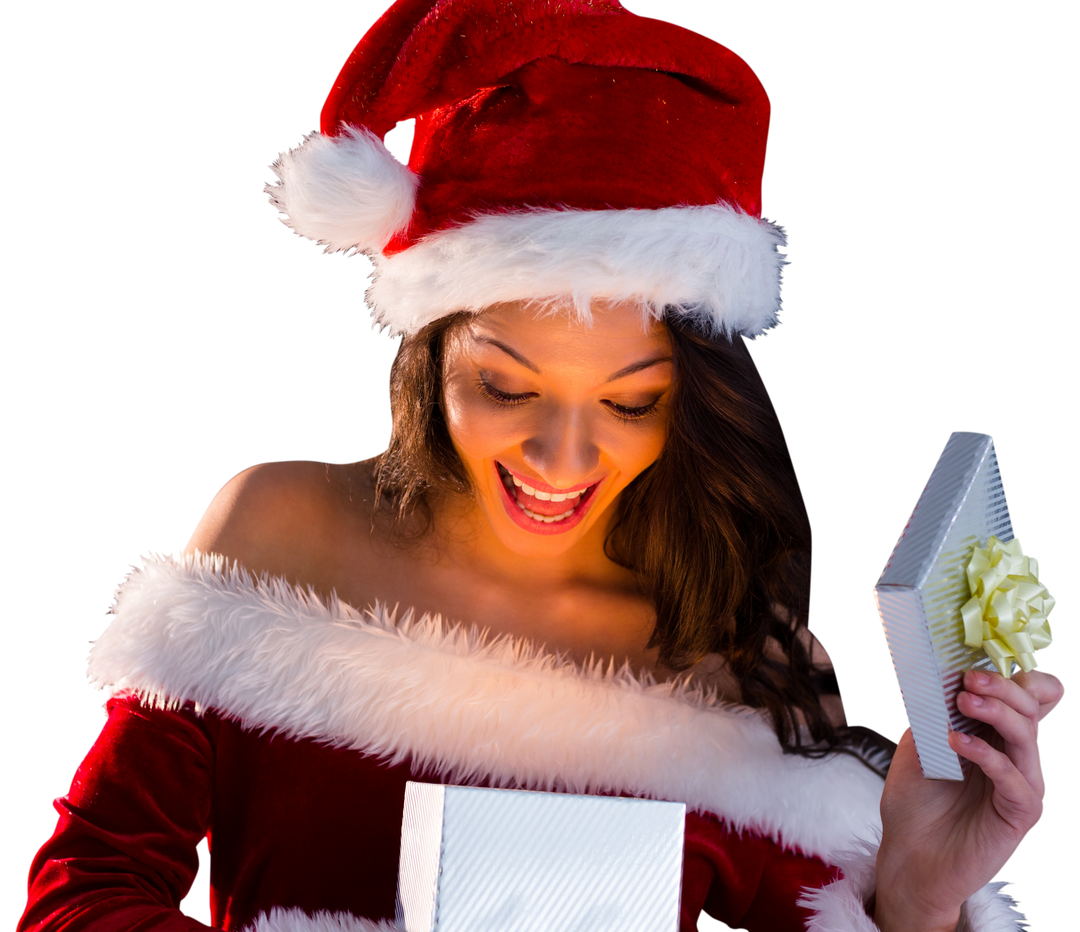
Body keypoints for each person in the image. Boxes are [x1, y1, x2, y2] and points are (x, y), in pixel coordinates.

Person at [17, 2, 1064, 930]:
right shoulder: (280, 530)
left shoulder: (750, 658)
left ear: (694, 402)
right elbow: (81, 889)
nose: (562, 456)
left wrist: (919, 902)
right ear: (428, 355)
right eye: (507, 386)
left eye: (631, 402)